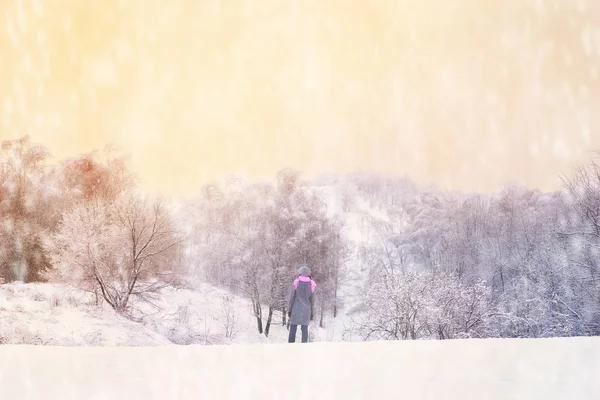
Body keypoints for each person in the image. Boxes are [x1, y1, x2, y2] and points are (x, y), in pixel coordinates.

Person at [287, 265, 316, 343]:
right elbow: (312, 300)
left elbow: (291, 297)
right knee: (304, 329)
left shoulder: (296, 282)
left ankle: (290, 346)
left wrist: (289, 309)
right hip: (306, 309)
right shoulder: (312, 284)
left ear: (300, 273)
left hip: (296, 308)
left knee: (293, 328)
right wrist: (312, 313)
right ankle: (304, 347)